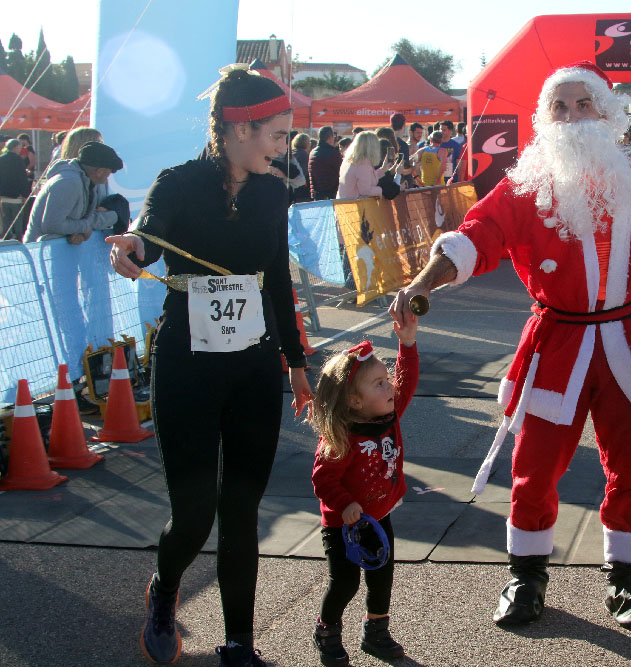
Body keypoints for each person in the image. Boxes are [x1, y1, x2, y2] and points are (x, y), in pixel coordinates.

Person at [389, 60, 631, 629]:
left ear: (608, 112)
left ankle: (626, 580)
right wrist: (422, 283)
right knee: (536, 466)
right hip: (557, 343)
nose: (571, 117)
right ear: (545, 119)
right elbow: (475, 238)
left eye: (582, 104)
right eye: (559, 107)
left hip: (627, 343)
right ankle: (526, 575)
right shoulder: (525, 186)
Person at [105, 66, 314, 667]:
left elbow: (276, 279)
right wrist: (134, 249)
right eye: (276, 134)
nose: (283, 147)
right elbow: (149, 233)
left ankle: (239, 642)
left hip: (252, 368)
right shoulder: (178, 182)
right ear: (238, 126)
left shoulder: (274, 192)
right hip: (188, 367)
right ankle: (165, 591)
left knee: (242, 508)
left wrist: (296, 362)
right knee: (194, 513)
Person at [310, 323, 419, 666]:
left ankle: (375, 632)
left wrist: (408, 343)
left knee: (381, 579)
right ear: (355, 401)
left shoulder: (387, 413)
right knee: (345, 583)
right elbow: (322, 481)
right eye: (380, 383)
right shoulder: (339, 439)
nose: (391, 387)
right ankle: (326, 630)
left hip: (378, 516)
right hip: (343, 525)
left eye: (387, 379)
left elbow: (409, 378)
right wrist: (346, 504)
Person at [22, 141, 122, 244]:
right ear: (99, 171)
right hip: (40, 253)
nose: (107, 179)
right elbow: (52, 225)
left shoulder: (86, 182)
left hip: (52, 250)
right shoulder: (69, 182)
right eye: (109, 173)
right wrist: (84, 228)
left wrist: (79, 232)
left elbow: (76, 220)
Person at [338, 131, 393, 200]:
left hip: (345, 204)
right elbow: (365, 190)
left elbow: (366, 178)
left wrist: (383, 169)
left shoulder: (352, 161)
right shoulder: (363, 164)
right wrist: (381, 190)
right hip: (354, 206)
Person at [309, 126, 343, 201]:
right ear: (330, 137)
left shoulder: (313, 152)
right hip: (331, 193)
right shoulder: (333, 152)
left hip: (317, 193)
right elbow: (341, 171)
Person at [291, 132, 312, 202]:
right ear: (307, 143)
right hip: (302, 191)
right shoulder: (305, 156)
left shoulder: (290, 154)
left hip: (290, 189)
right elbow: (306, 174)